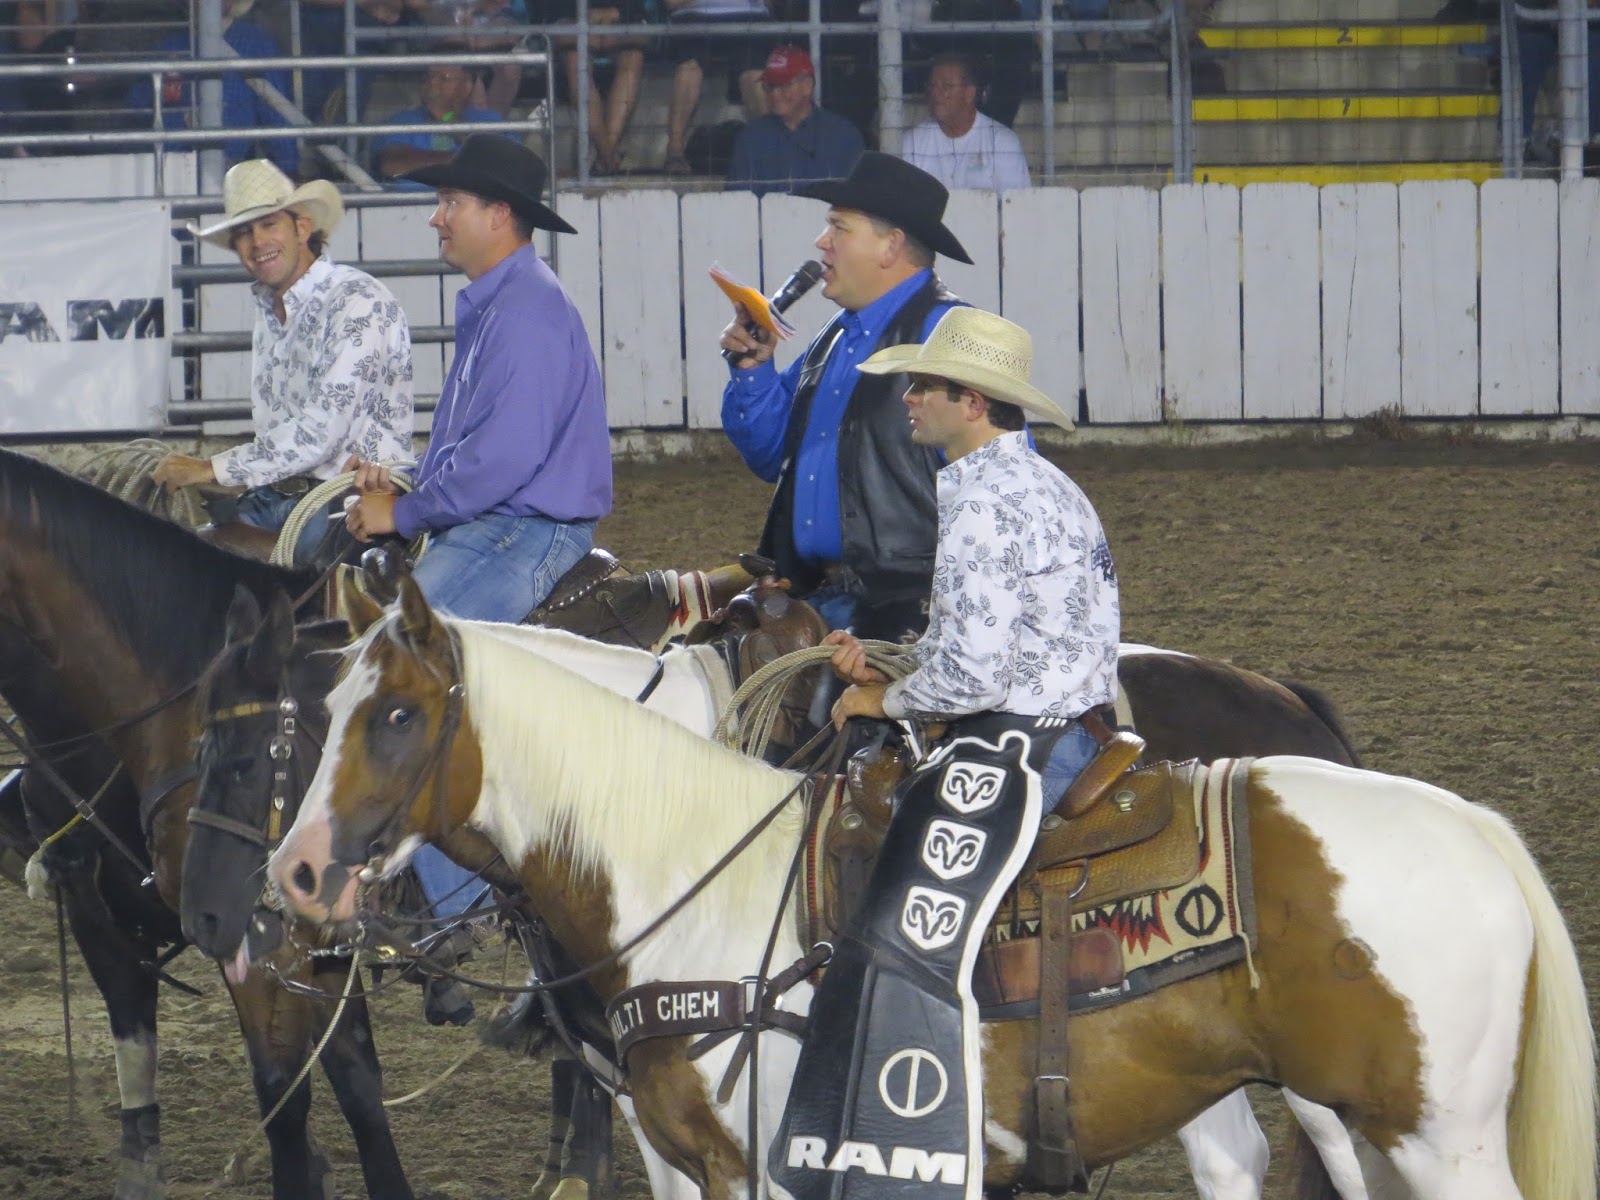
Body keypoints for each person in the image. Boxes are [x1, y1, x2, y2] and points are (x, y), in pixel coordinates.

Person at [769, 306, 1118, 1200]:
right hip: (1068, 725)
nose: (908, 399)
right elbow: (988, 644)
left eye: (922, 386)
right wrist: (897, 662)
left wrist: (886, 693)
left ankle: (910, 1125)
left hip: (1020, 748)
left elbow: (974, 673)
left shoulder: (982, 498)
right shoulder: (1038, 483)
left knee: (897, 921)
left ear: (971, 400)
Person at [343, 136, 612, 1018]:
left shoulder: (525, 311)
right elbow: (485, 448)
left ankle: (453, 911)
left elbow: (504, 458)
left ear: (499, 216)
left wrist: (407, 513)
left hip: (524, 531)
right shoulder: (507, 303)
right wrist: (413, 489)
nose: (436, 216)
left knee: (404, 671)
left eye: (450, 202)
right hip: (503, 521)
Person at [718, 151, 969, 642]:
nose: (822, 242)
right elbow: (771, 454)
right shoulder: (836, 335)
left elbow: (1004, 488)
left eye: (839, 227)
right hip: (815, 600)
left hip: (907, 613)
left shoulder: (947, 335)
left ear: (890, 246)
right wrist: (754, 372)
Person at [153, 161, 414, 567]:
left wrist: (212, 468)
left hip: (351, 494)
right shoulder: (270, 311)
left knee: (287, 580)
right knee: (185, 553)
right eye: (243, 233)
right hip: (285, 494)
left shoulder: (359, 301)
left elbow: (321, 431)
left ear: (302, 228)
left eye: (269, 225)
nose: (257, 242)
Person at [125, 0, 300, 178]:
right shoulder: (172, 45)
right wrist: (159, 94)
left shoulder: (256, 44)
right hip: (172, 168)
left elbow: (275, 111)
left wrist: (289, 167)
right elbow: (137, 103)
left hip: (230, 167)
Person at [725, 45, 864, 196]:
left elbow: (855, 204)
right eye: (770, 86)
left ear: (807, 86)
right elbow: (738, 202)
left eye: (784, 85)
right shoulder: (750, 138)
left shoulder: (843, 136)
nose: (775, 94)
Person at [662, 0, 772, 175]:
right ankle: (674, 150)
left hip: (749, 17)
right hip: (694, 18)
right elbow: (671, 3)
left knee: (753, 74)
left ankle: (773, 150)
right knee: (690, 67)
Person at [901, 52, 1032, 191]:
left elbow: (1014, 205)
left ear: (969, 93)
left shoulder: (1001, 142)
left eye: (946, 86)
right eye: (932, 85)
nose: (935, 93)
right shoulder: (912, 142)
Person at [369, 63, 511, 187]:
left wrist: (447, 118)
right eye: (429, 77)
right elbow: (391, 165)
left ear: (466, 86)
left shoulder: (489, 121)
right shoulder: (402, 120)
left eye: (444, 78)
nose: (433, 83)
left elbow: (498, 164)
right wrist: (467, 164)